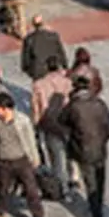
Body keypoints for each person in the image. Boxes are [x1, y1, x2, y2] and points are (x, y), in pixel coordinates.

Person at [59, 75, 109, 217]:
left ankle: (96, 215)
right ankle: (99, 206)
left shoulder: (73, 106)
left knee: (91, 183)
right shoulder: (99, 103)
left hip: (83, 150)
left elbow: (61, 121)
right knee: (100, 180)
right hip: (100, 149)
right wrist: (102, 139)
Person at [0, 93, 45, 217]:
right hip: (3, 162)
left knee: (32, 191)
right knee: (3, 189)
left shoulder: (22, 120)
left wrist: (35, 159)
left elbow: (30, 141)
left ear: (4, 108)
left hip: (22, 161)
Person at [31, 55, 73, 196]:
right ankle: (71, 178)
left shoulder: (38, 84)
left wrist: (36, 124)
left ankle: (61, 186)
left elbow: (35, 108)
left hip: (49, 123)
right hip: (66, 122)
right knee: (69, 153)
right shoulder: (68, 83)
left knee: (56, 156)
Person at [21, 15, 68, 82]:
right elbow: (60, 51)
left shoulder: (29, 39)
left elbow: (26, 57)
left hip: (37, 70)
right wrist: (65, 65)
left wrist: (26, 69)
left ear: (33, 25)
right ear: (43, 23)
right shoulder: (53, 35)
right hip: (53, 67)